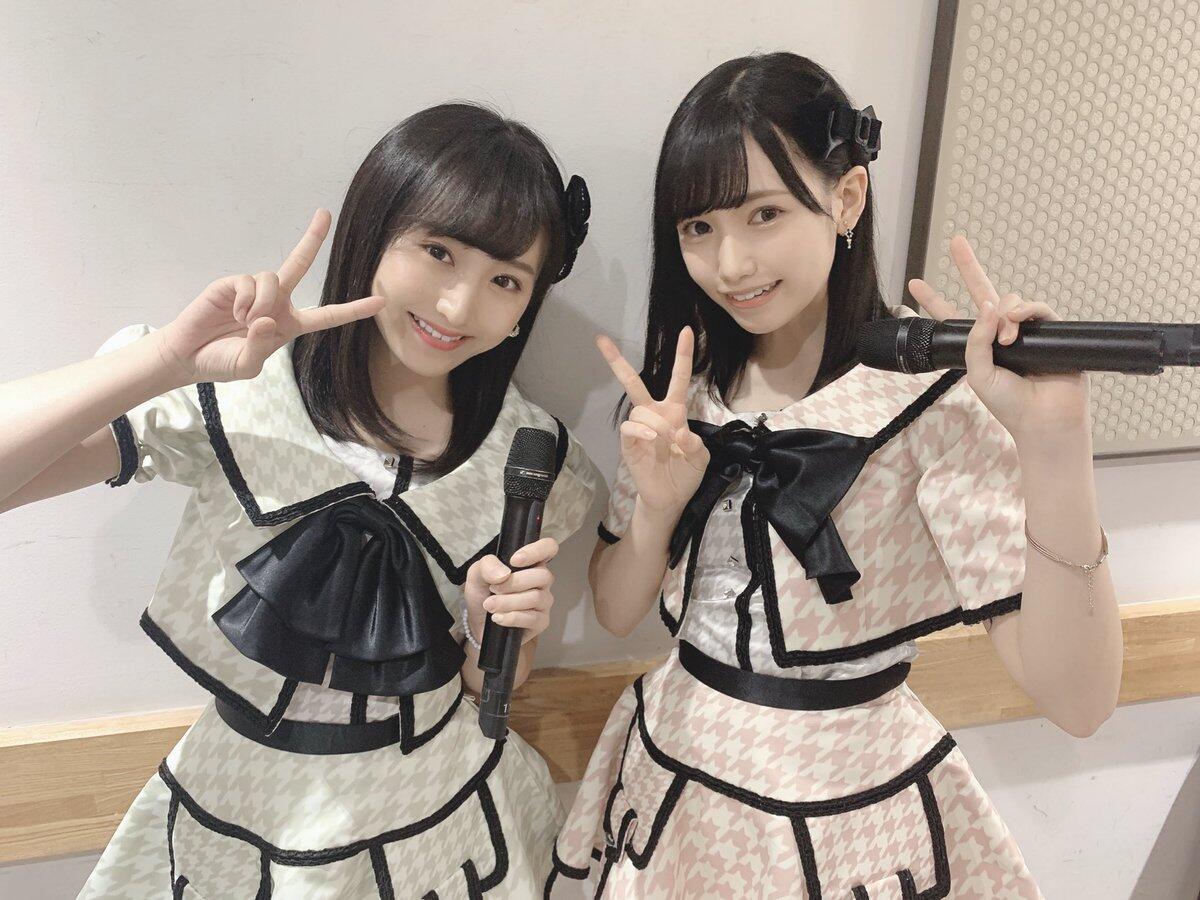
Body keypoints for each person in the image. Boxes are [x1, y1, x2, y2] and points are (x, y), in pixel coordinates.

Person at [548, 53, 1121, 898]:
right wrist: (657, 510)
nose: (730, 263)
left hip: (850, 811)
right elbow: (616, 609)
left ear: (846, 198)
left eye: (764, 213)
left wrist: (1056, 444)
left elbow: (1080, 702)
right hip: (673, 780)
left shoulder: (930, 409)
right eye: (698, 227)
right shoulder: (685, 391)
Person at [0, 102, 600, 898]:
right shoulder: (244, 397)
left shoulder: (528, 455)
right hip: (244, 804)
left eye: (504, 280)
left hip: (442, 806)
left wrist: (498, 637)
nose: (459, 306)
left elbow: (485, 681)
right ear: (372, 233)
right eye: (437, 251)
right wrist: (170, 359)